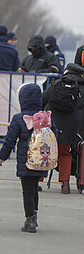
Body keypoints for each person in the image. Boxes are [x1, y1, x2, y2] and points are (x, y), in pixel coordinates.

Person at [0, 84, 54, 233]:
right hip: (42, 161)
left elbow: (10, 141)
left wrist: (1, 157)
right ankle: (34, 216)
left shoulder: (19, 118)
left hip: (26, 162)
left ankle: (30, 221)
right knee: (34, 189)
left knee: (27, 191)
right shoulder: (45, 117)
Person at [42, 63, 84, 193]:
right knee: (65, 154)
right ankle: (65, 185)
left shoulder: (56, 84)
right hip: (70, 128)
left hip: (51, 125)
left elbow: (43, 99)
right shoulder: (82, 88)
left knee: (44, 153)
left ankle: (37, 181)